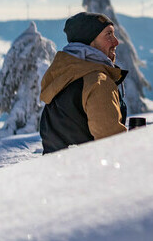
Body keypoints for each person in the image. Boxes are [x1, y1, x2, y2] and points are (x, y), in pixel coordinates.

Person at [39, 12, 128, 153]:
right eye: (108, 35)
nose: (116, 42)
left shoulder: (61, 76)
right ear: (90, 41)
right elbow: (111, 144)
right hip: (89, 171)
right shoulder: (98, 82)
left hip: (56, 170)